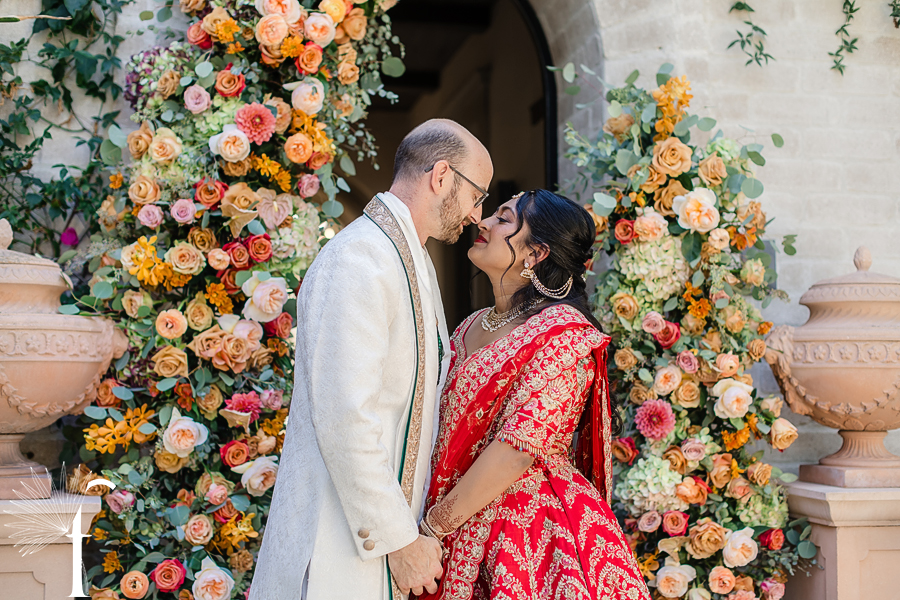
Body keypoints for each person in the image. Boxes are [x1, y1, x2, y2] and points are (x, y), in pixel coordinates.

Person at [248, 119, 493, 600]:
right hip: (335, 545)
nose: (477, 215)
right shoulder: (358, 259)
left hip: (377, 542)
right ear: (441, 177)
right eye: (476, 195)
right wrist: (399, 541)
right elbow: (345, 415)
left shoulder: (408, 258)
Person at [417, 190, 651, 599]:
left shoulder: (563, 333)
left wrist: (434, 526)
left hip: (526, 530)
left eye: (504, 219)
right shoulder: (469, 326)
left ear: (536, 253)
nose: (483, 223)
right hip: (449, 516)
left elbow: (519, 447)